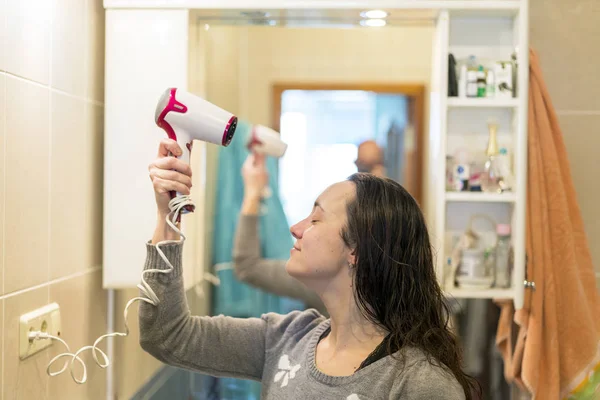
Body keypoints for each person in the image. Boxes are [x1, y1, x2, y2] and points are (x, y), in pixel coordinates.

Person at [142, 138, 479, 399]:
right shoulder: (286, 339)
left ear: (357, 249)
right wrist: (167, 216)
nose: (297, 227)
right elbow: (167, 335)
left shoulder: (419, 383)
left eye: (316, 218)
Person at [233, 153, 327, 315]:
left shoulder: (323, 282)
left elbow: (248, 267)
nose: (295, 230)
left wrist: (252, 194)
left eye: (317, 221)